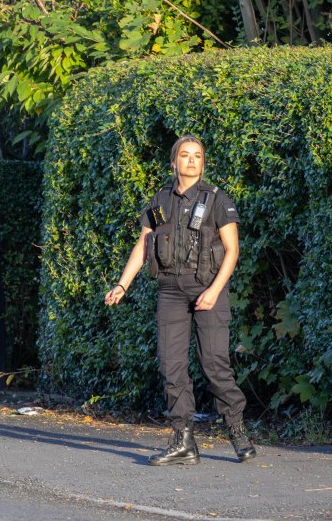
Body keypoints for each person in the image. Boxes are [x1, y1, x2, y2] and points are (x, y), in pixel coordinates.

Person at [104, 134, 256, 466]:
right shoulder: (159, 201)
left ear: (202, 163)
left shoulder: (217, 200)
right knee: (171, 365)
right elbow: (144, 245)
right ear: (174, 163)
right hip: (170, 291)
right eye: (185, 155)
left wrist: (214, 291)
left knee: (214, 365)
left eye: (197, 156)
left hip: (207, 287)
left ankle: (237, 430)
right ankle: (183, 441)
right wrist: (122, 284)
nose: (191, 160)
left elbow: (232, 251)